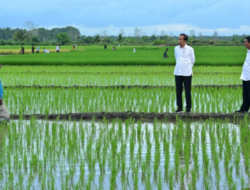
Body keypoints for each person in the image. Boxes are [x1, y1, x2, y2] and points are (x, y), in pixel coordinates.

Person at [174, 34, 195, 114]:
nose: (179, 41)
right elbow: (177, 58)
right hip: (177, 72)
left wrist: (187, 67)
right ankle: (179, 108)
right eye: (178, 39)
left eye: (180, 39)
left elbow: (192, 60)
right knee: (178, 91)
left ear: (185, 41)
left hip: (187, 73)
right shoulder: (176, 48)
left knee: (187, 91)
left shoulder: (190, 49)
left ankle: (188, 108)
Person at [235, 36, 250, 113]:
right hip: (246, 76)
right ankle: (244, 109)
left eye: (246, 42)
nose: (244, 44)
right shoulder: (248, 51)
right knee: (246, 95)